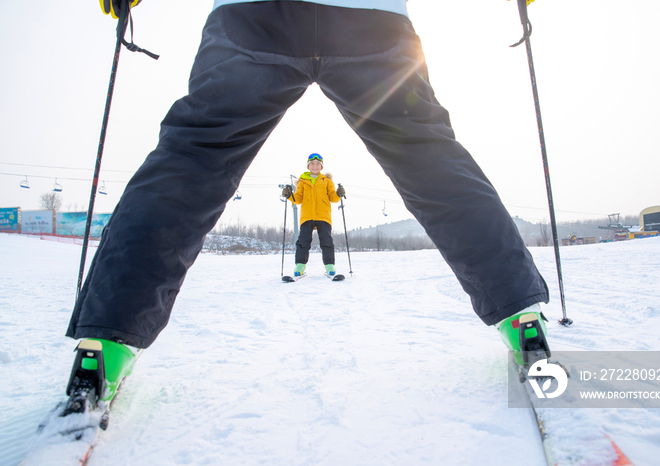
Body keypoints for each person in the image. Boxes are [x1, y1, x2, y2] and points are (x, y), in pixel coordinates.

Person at [65, 0, 549, 408]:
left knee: (193, 156)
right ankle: (519, 313)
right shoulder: (306, 178)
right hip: (370, 22)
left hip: (251, 20)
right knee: (428, 155)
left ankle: (106, 342)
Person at [282, 153, 345, 277]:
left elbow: (333, 197)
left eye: (317, 164)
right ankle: (300, 266)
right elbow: (298, 199)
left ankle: (329, 265)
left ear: (321, 167)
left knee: (326, 240)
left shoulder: (327, 181)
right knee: (303, 241)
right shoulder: (302, 182)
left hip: (323, 215)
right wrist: (290, 195)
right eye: (312, 164)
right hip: (307, 215)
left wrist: (338, 194)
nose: (315, 166)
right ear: (308, 166)